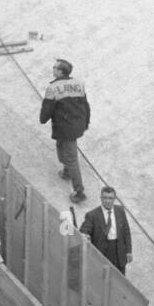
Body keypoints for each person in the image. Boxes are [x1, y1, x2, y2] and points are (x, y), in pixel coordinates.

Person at [40, 59, 90, 203]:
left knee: (71, 157)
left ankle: (79, 191)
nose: (53, 69)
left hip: (65, 127)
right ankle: (67, 171)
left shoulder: (53, 88)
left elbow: (47, 108)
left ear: (61, 71)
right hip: (75, 124)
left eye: (55, 67)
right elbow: (86, 106)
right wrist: (86, 122)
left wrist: (43, 119)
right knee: (61, 148)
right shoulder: (79, 84)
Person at [79, 185, 132, 272]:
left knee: (120, 279)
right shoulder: (92, 215)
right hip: (102, 252)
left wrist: (128, 251)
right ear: (101, 198)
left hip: (118, 251)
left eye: (110, 198)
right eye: (105, 198)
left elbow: (126, 231)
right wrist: (85, 235)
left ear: (114, 199)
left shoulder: (120, 210)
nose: (107, 201)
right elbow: (84, 231)